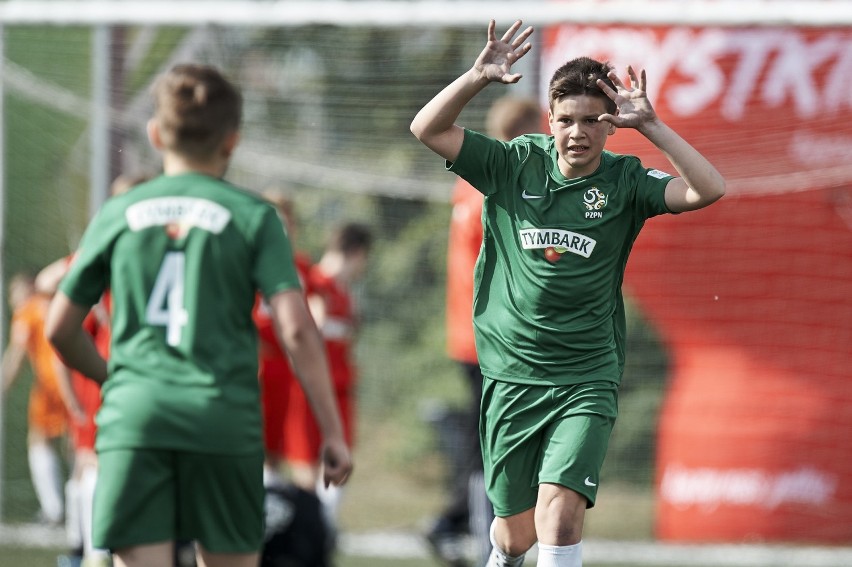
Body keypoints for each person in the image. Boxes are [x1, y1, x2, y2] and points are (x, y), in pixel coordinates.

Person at [410, 19, 725, 567]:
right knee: (512, 537)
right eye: (567, 120)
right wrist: (477, 77)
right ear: (550, 121)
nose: (578, 132)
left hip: (587, 376)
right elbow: (426, 128)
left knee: (560, 513)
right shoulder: (512, 164)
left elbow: (707, 188)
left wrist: (652, 125)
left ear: (610, 127)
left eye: (592, 121)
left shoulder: (626, 182)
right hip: (511, 376)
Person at [45, 63, 352, 567]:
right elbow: (296, 327)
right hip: (222, 420)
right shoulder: (255, 217)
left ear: (155, 134)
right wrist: (332, 432)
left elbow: (61, 327)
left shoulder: (117, 213)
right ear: (232, 141)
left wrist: (116, 377)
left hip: (136, 419)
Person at [429, 96, 544, 567]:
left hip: (470, 333)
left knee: (494, 438)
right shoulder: (498, 183)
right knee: (492, 443)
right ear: (524, 132)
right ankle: (480, 540)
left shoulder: (471, 182)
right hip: (488, 336)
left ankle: (459, 524)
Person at [284, 222, 372, 532]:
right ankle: (306, 533)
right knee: (306, 467)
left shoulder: (344, 292)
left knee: (339, 463)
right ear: (358, 254)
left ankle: (320, 531)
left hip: (341, 390)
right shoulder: (315, 283)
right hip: (312, 391)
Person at [2, 271, 81, 527]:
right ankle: (76, 511)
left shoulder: (27, 311)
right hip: (77, 380)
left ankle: (54, 510)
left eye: (13, 292)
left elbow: (16, 354)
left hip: (51, 386)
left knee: (39, 440)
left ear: (27, 287)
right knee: (78, 446)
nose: (12, 299)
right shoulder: (59, 302)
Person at [252, 188, 313, 488]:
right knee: (254, 439)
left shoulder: (301, 267)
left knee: (280, 442)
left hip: (289, 365)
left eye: (286, 221)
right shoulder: (249, 262)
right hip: (257, 362)